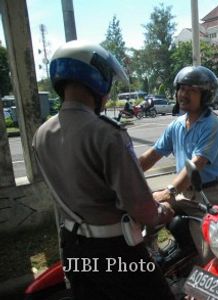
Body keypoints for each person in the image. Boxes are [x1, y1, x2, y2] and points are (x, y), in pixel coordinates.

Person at [32, 41, 175, 299]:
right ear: (97, 79)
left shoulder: (42, 134)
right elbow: (142, 209)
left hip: (72, 246)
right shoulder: (106, 133)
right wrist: (162, 211)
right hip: (114, 251)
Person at [139, 65, 218, 264]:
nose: (183, 94)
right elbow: (153, 154)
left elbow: (195, 164)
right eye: (181, 88)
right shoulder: (177, 125)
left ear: (205, 95)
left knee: (212, 258)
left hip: (210, 196)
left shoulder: (212, 125)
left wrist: (170, 191)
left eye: (191, 90)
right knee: (144, 213)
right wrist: (126, 173)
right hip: (184, 193)